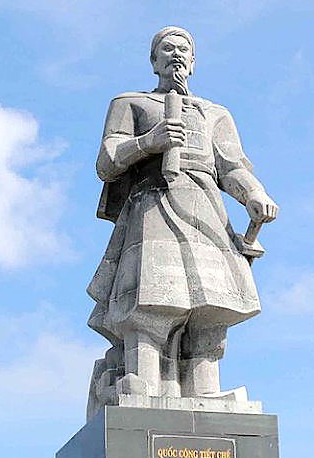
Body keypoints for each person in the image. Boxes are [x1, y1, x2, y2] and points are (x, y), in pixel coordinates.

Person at [87, 26, 278, 406]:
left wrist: (254, 194)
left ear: (193, 62)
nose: (176, 54)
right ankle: (142, 381)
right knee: (152, 299)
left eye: (183, 49)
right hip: (153, 205)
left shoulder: (215, 113)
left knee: (212, 304)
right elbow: (107, 162)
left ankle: (204, 390)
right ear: (153, 60)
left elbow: (231, 166)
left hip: (206, 209)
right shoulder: (130, 103)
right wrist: (148, 142)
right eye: (167, 48)